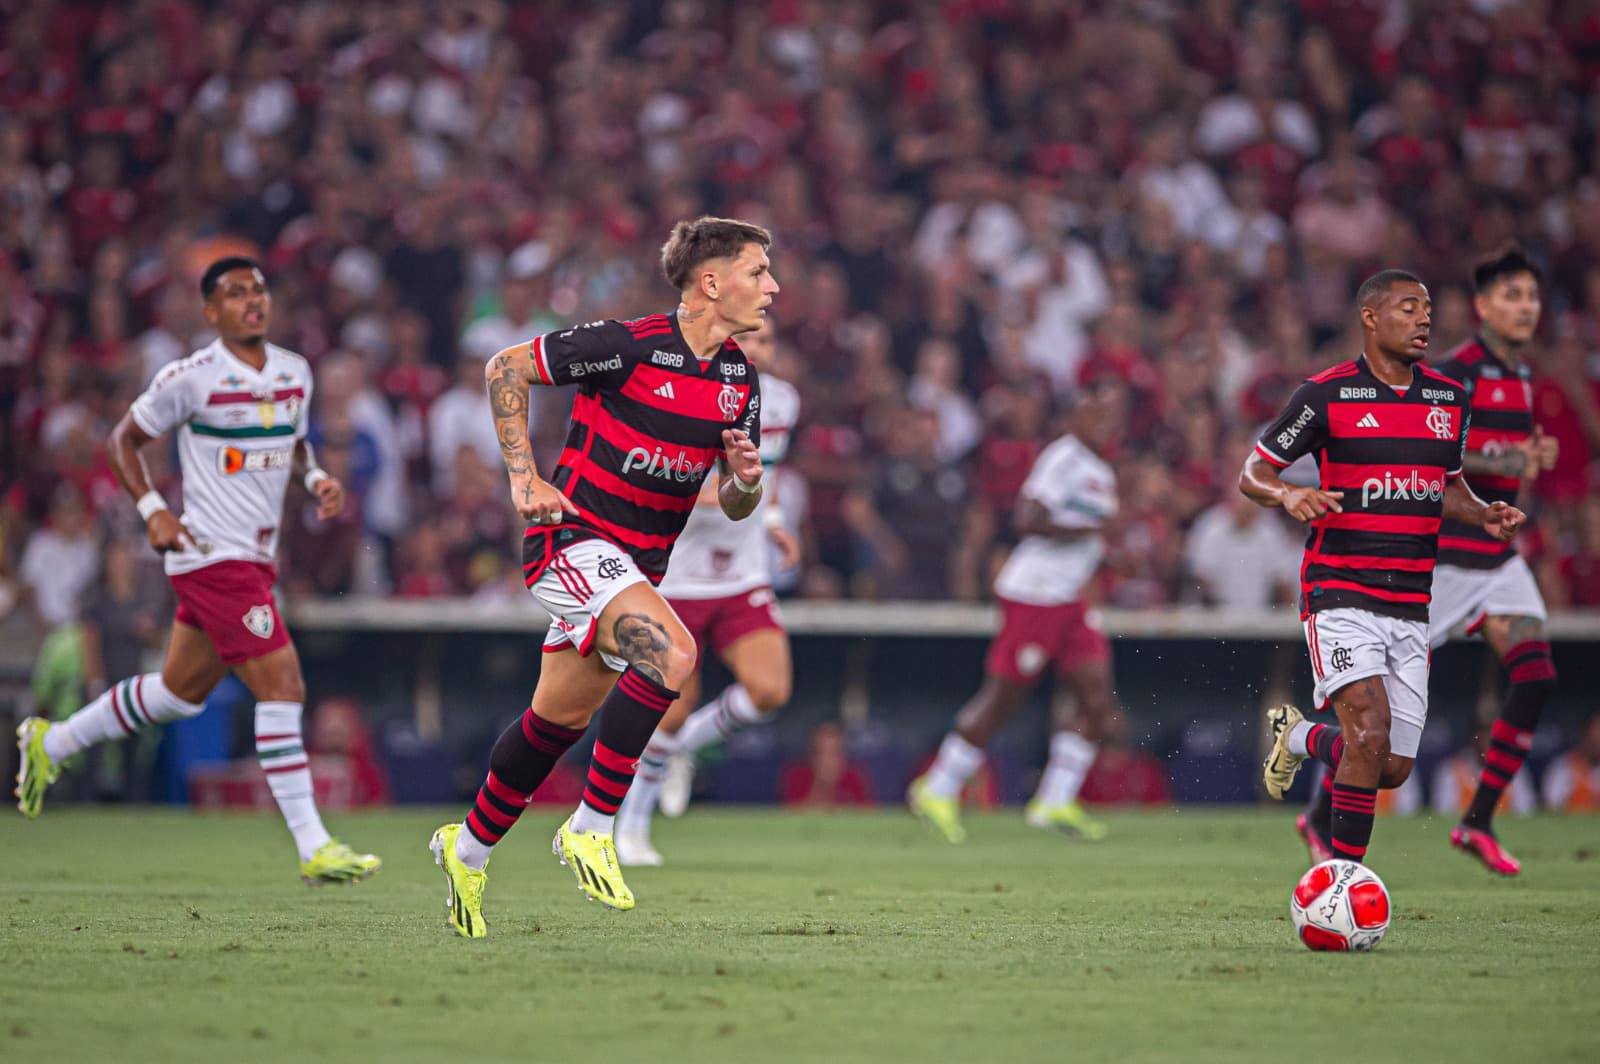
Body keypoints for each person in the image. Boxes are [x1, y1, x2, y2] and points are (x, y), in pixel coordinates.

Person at [428, 216, 776, 938]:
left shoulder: (739, 377)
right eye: (758, 272)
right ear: (711, 283)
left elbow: (739, 508)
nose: (772, 288)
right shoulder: (625, 345)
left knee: (557, 722)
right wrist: (524, 477)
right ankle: (591, 827)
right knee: (674, 655)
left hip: (633, 566)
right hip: (570, 542)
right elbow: (504, 367)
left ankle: (465, 849)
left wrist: (744, 482)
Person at [14, 257, 381, 885]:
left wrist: (315, 477)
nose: (252, 302)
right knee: (284, 684)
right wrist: (155, 510)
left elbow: (291, 440)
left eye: (258, 290)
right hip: (211, 555)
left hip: (256, 559)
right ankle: (313, 844)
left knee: (177, 695)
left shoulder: (296, 372)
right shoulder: (190, 377)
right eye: (235, 294)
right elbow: (121, 441)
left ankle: (50, 744)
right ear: (211, 312)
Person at [1246, 269, 1523, 867]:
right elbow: (1254, 472)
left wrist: (1483, 514)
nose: (1425, 319)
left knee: (1390, 766)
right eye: (1408, 308)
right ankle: (1343, 884)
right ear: (1370, 318)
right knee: (1368, 735)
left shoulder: (1449, 399)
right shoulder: (1325, 394)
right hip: (1339, 591)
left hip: (1411, 603)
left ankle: (1296, 736)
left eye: (1427, 310)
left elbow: (1444, 487)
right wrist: (1288, 496)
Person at [613, 312, 802, 866]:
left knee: (769, 690)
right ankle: (632, 826)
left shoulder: (784, 402)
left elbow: (766, 472)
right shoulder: (685, 394)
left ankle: (681, 753)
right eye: (749, 338)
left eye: (767, 339)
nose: (760, 349)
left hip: (743, 573)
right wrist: (714, 497)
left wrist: (772, 523)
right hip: (677, 574)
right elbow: (648, 472)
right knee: (667, 711)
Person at [906, 378, 1124, 844]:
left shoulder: (1102, 471)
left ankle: (1055, 800)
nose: (1104, 423)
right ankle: (937, 786)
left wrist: (1108, 552)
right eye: (1094, 413)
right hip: (1034, 594)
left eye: (1108, 415)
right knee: (1004, 697)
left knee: (1098, 698)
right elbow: (1026, 518)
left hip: (1069, 598)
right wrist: (1089, 531)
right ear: (1074, 418)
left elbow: (1089, 535)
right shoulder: (1062, 458)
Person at [1424, 248, 1558, 875]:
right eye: (1511, 295)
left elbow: (1505, 464)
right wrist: (1512, 458)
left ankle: (1477, 821)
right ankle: (1320, 815)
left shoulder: (1524, 376)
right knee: (1385, 713)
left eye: (1531, 296)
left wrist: (1529, 455)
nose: (1525, 307)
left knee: (1535, 676)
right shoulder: (1458, 372)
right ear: (1482, 307)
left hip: (1498, 562)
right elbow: (1433, 449)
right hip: (1446, 562)